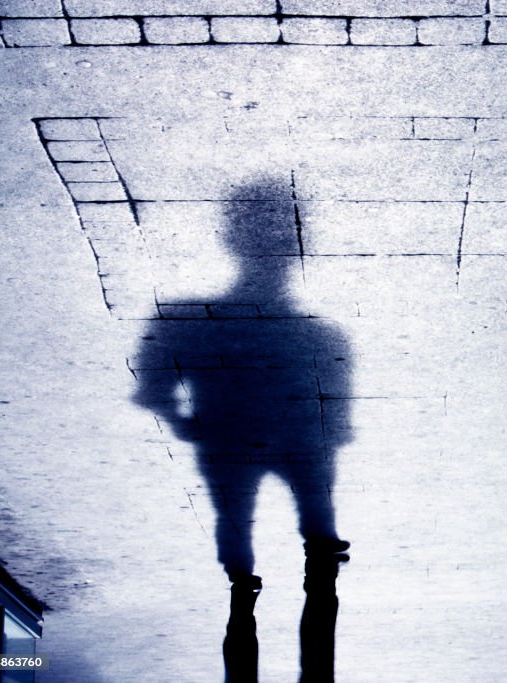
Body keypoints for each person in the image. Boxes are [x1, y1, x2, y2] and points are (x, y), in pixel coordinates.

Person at [132, 179, 352, 681]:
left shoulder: (183, 320)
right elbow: (336, 425)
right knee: (307, 534)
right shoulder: (320, 334)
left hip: (228, 439)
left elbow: (155, 384)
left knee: (237, 523)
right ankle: (288, 582)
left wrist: (187, 423)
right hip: (297, 442)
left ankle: (249, 592)